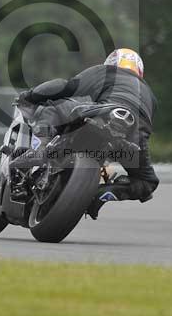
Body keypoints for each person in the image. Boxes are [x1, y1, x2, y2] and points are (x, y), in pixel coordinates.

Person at [11, 48, 158, 219]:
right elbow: (146, 128)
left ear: (111, 63)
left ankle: (40, 150)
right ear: (139, 71)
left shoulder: (107, 72)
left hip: (102, 114)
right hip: (133, 134)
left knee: (51, 109)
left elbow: (64, 86)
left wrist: (30, 96)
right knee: (147, 182)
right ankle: (101, 194)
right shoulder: (150, 94)